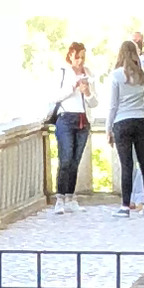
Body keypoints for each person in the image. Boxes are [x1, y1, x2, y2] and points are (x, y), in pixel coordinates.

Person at [108, 35, 144, 214]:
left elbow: (113, 105)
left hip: (122, 122)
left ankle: (125, 205)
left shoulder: (116, 76)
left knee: (127, 165)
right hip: (141, 121)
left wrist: (109, 128)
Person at [46, 40, 95, 204]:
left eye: (82, 57)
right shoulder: (62, 72)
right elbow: (54, 96)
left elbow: (94, 102)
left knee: (75, 161)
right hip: (66, 118)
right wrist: (72, 87)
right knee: (65, 159)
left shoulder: (88, 73)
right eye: (77, 58)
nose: (80, 61)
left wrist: (87, 92)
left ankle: (70, 196)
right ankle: (60, 197)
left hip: (83, 119)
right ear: (70, 56)